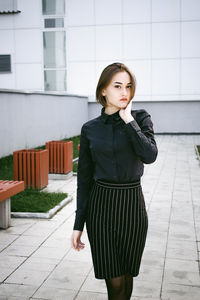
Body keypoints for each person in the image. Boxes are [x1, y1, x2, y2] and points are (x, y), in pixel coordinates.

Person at [71, 62, 158, 300]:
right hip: (101, 208)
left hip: (132, 206)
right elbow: (84, 180)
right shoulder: (90, 129)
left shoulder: (140, 118)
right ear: (103, 91)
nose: (124, 93)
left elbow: (150, 155)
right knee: (115, 281)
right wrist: (79, 224)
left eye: (128, 87)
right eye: (117, 86)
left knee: (127, 276)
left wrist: (129, 120)